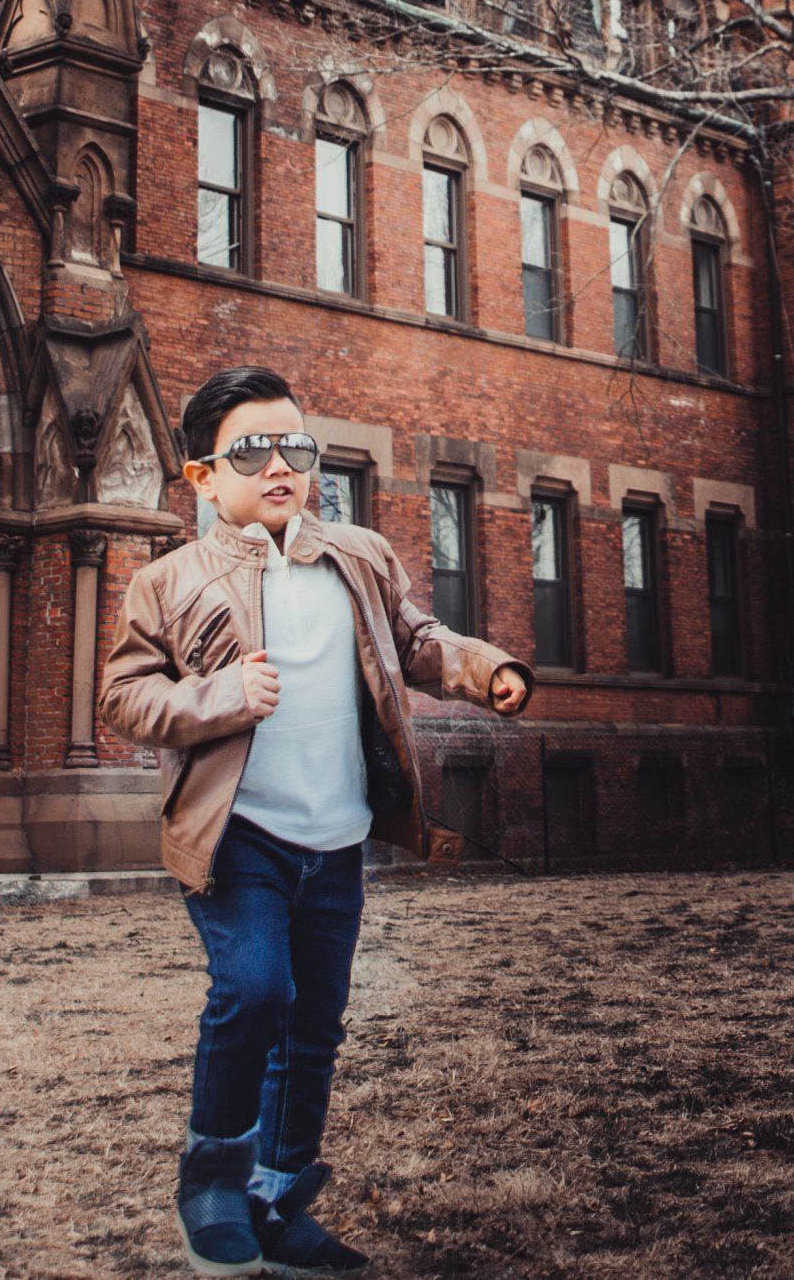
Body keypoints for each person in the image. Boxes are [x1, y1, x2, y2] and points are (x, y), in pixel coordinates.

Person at [99, 364, 534, 1276]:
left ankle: (278, 1192)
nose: (278, 463)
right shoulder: (170, 582)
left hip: (334, 840)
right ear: (204, 477)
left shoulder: (360, 556)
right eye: (249, 449)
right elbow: (124, 696)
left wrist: (483, 669)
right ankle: (214, 1181)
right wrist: (221, 695)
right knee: (256, 991)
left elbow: (416, 641)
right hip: (238, 836)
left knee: (316, 1023)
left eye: (293, 444)